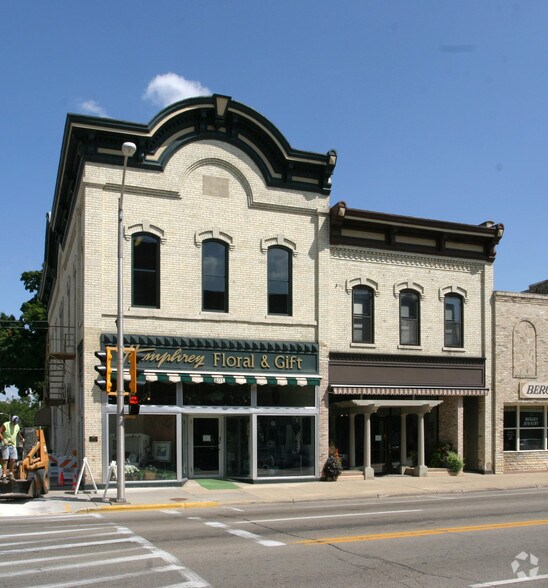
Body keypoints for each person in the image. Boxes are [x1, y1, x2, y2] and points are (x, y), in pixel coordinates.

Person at [0, 415, 25, 481]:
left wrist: (21, 438)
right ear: (11, 421)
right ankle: (4, 476)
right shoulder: (6, 424)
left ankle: (11, 474)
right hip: (5, 445)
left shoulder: (17, 426)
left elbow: (18, 433)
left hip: (13, 445)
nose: (15, 424)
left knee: (13, 459)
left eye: (16, 423)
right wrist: (3, 440)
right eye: (14, 423)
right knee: (5, 460)